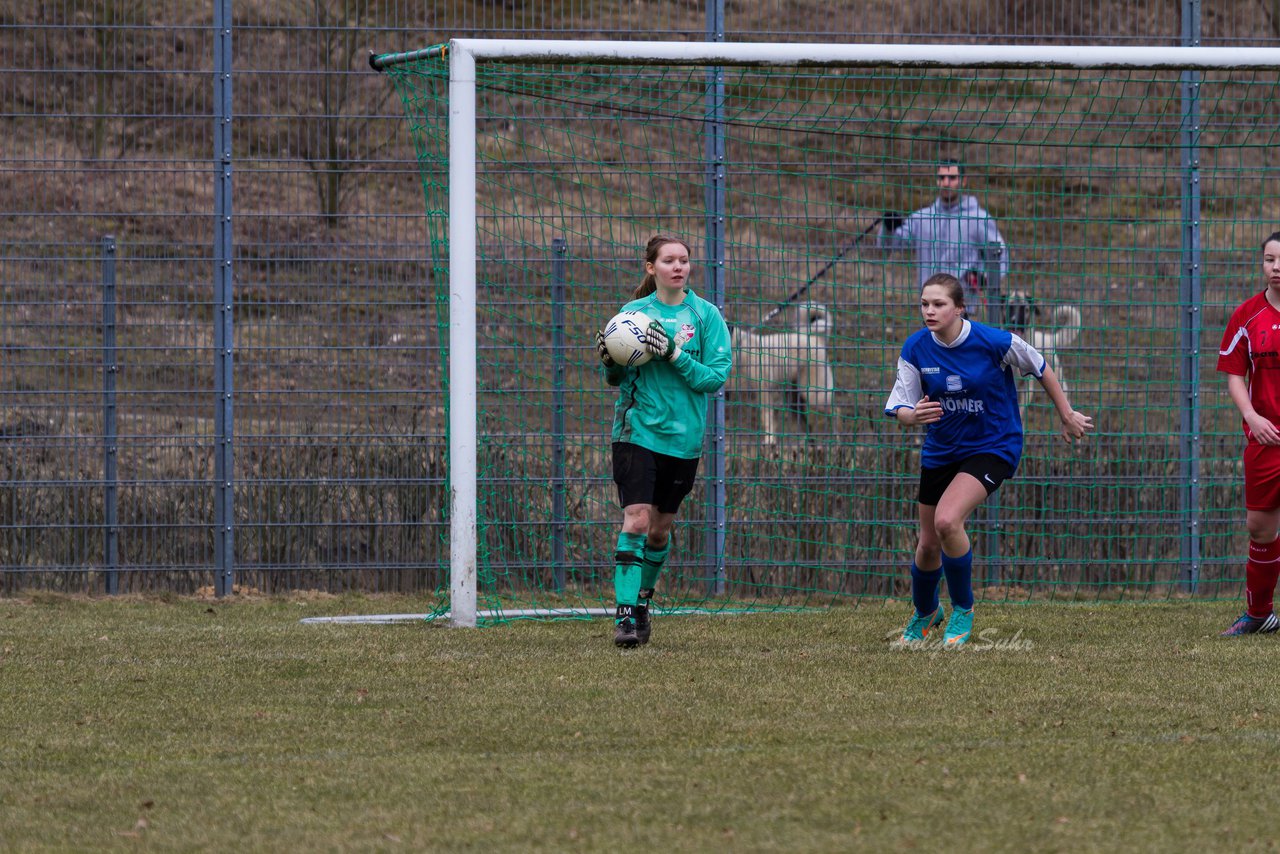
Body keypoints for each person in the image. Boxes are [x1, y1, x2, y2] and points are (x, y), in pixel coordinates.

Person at [885, 273, 1092, 647]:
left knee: (949, 520)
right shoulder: (915, 348)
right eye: (924, 304)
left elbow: (1041, 365)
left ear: (960, 308)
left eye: (939, 304)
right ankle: (927, 611)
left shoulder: (993, 341)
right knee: (928, 542)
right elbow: (900, 403)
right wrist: (910, 416)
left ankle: (963, 608)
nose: (929, 311)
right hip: (942, 449)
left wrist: (1066, 413)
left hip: (993, 445)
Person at [594, 235, 732, 648]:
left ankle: (643, 601)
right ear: (650, 267)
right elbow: (617, 380)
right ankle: (625, 618)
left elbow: (715, 378)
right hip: (636, 431)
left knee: (659, 530)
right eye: (669, 260)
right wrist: (608, 362)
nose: (679, 266)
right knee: (635, 519)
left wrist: (673, 353)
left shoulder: (706, 317)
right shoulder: (631, 315)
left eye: (684, 260)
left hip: (682, 439)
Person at [1216, 231, 1280, 636]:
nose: (1278, 268)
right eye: (1271, 260)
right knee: (1260, 527)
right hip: (1266, 440)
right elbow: (1235, 374)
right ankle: (1259, 615)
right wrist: (1251, 416)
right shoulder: (1247, 316)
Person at [881, 159, 1011, 315]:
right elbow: (890, 245)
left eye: (952, 178)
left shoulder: (978, 218)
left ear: (963, 181)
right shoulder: (922, 218)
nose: (946, 183)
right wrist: (888, 227)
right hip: (929, 308)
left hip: (961, 309)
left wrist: (983, 276)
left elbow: (1000, 254)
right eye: (941, 178)